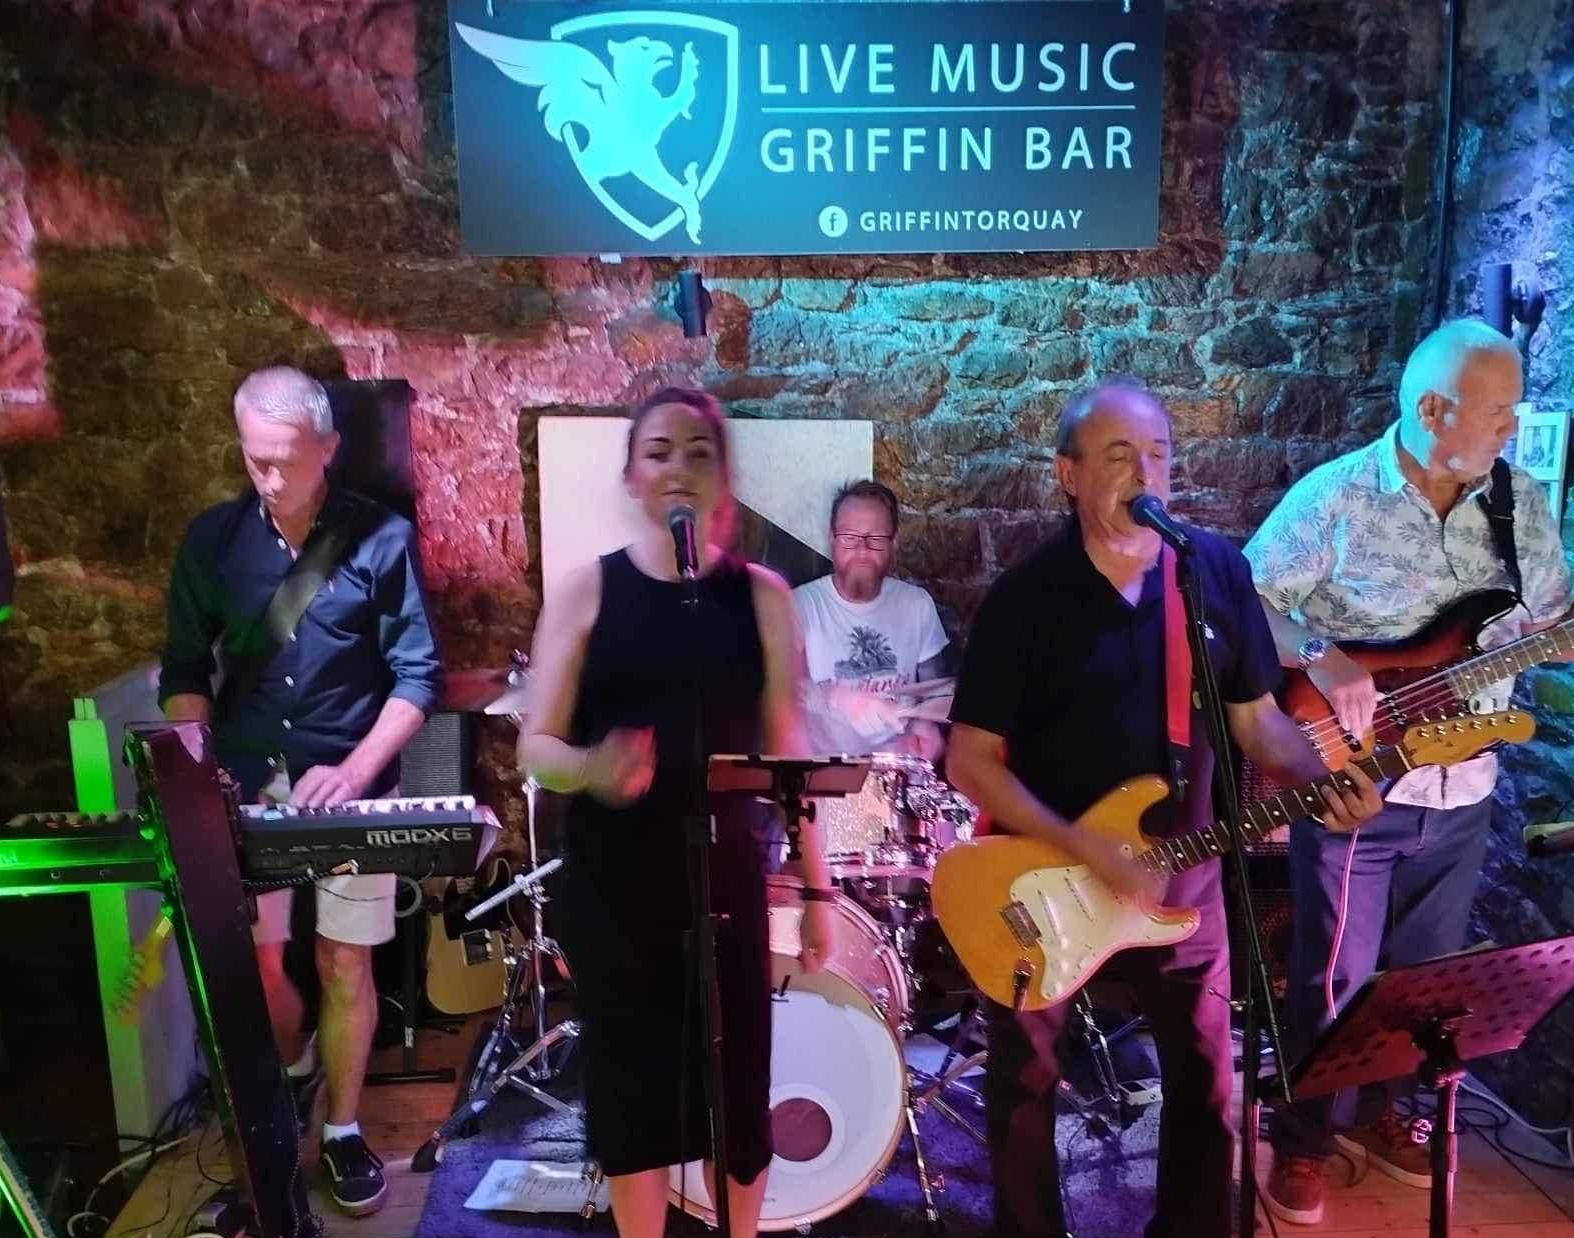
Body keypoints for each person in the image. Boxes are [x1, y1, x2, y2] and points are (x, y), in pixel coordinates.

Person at [1246, 319, 1574, 1222]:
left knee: (1426, 978)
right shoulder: (1336, 495)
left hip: (1465, 788)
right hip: (1355, 776)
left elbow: (1554, 632)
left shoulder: (1516, 504)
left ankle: (1393, 1113)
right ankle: (1303, 1140)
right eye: (1498, 410)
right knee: (1331, 979)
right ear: (1432, 409)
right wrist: (1324, 655)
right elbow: (1244, 601)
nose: (1511, 426)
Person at [946, 380, 1381, 1238]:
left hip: (1185, 877)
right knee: (1026, 1081)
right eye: (1119, 455)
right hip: (1045, 880)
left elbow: (1257, 719)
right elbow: (969, 759)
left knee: (1210, 1083)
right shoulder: (1026, 597)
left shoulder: (1213, 572)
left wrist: (1322, 781)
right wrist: (1085, 845)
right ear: (1068, 475)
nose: (1145, 473)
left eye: (1159, 454)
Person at [514, 387, 835, 1238]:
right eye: (659, 452)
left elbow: (789, 752)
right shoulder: (587, 591)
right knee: (634, 1106)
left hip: (724, 878)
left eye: (699, 452)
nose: (678, 468)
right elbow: (534, 747)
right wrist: (592, 766)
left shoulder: (762, 597)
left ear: (723, 478)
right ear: (631, 475)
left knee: (739, 1094)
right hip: (616, 884)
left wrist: (818, 891)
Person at [159, 366, 441, 1217]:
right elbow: (184, 671)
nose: (269, 479)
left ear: (329, 448)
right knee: (260, 961)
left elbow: (418, 678)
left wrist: (355, 769)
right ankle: (288, 1088)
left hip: (352, 784)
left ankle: (345, 1129)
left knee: (344, 958)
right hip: (248, 780)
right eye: (255, 460)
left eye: (285, 460)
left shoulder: (382, 540)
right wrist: (197, 769)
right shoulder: (212, 541)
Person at [792, 479, 951, 760]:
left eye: (876, 539)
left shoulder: (917, 604)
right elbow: (786, 689)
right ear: (832, 538)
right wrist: (837, 696)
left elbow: (936, 689)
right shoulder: (798, 604)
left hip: (897, 767)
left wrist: (926, 726)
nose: (862, 550)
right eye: (849, 537)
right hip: (828, 771)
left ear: (894, 542)